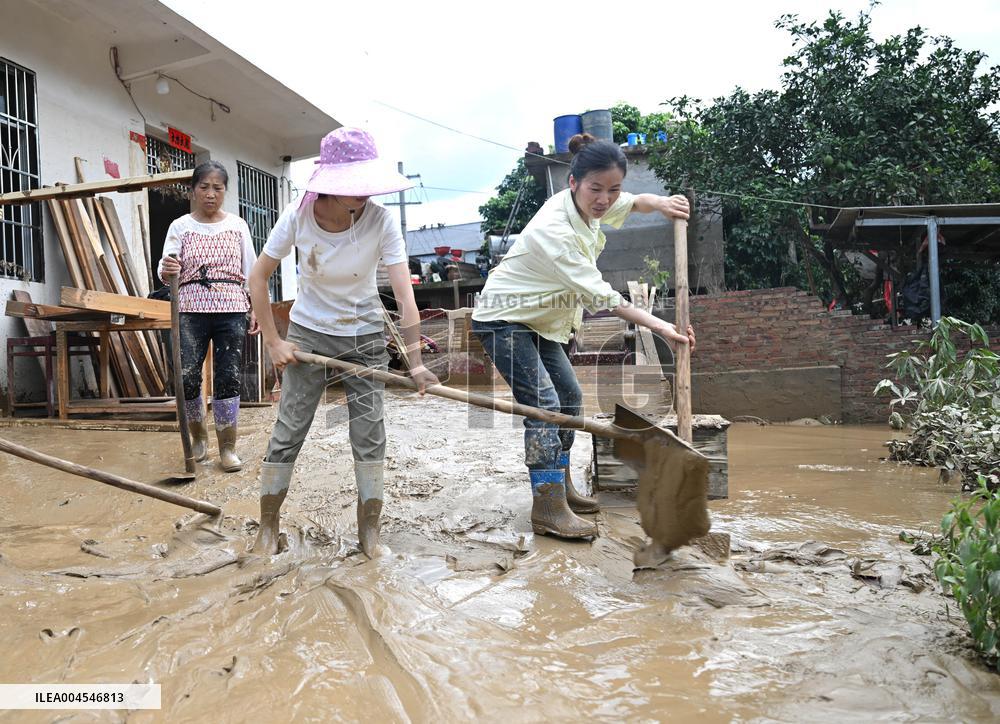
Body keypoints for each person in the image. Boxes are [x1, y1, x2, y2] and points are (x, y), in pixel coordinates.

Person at [471, 133, 696, 540]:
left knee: (570, 399)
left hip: (540, 321)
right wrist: (664, 328)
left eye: (613, 189)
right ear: (572, 183)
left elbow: (636, 202)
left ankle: (563, 485)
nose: (605, 199)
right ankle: (547, 505)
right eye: (596, 189)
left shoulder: (594, 206)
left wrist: (662, 204)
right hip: (503, 319)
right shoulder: (556, 231)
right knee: (544, 405)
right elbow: (605, 298)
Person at [248, 127, 439, 558]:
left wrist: (414, 362)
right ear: (329, 187)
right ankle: (267, 525)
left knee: (369, 434)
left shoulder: (381, 220)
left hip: (365, 337)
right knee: (289, 430)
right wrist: (275, 342)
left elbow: (405, 297)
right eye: (353, 186)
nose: (363, 194)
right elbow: (257, 277)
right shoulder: (297, 217)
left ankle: (369, 532)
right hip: (309, 334)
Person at [159, 160, 259, 473]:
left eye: (217, 188)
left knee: (228, 376)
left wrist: (254, 307)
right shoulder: (180, 226)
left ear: (225, 191)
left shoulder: (238, 225)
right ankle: (198, 438)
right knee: (187, 375)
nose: (211, 194)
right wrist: (168, 269)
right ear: (192, 191)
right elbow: (166, 270)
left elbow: (251, 270)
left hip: (231, 307)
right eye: (204, 187)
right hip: (190, 309)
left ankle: (227, 447)